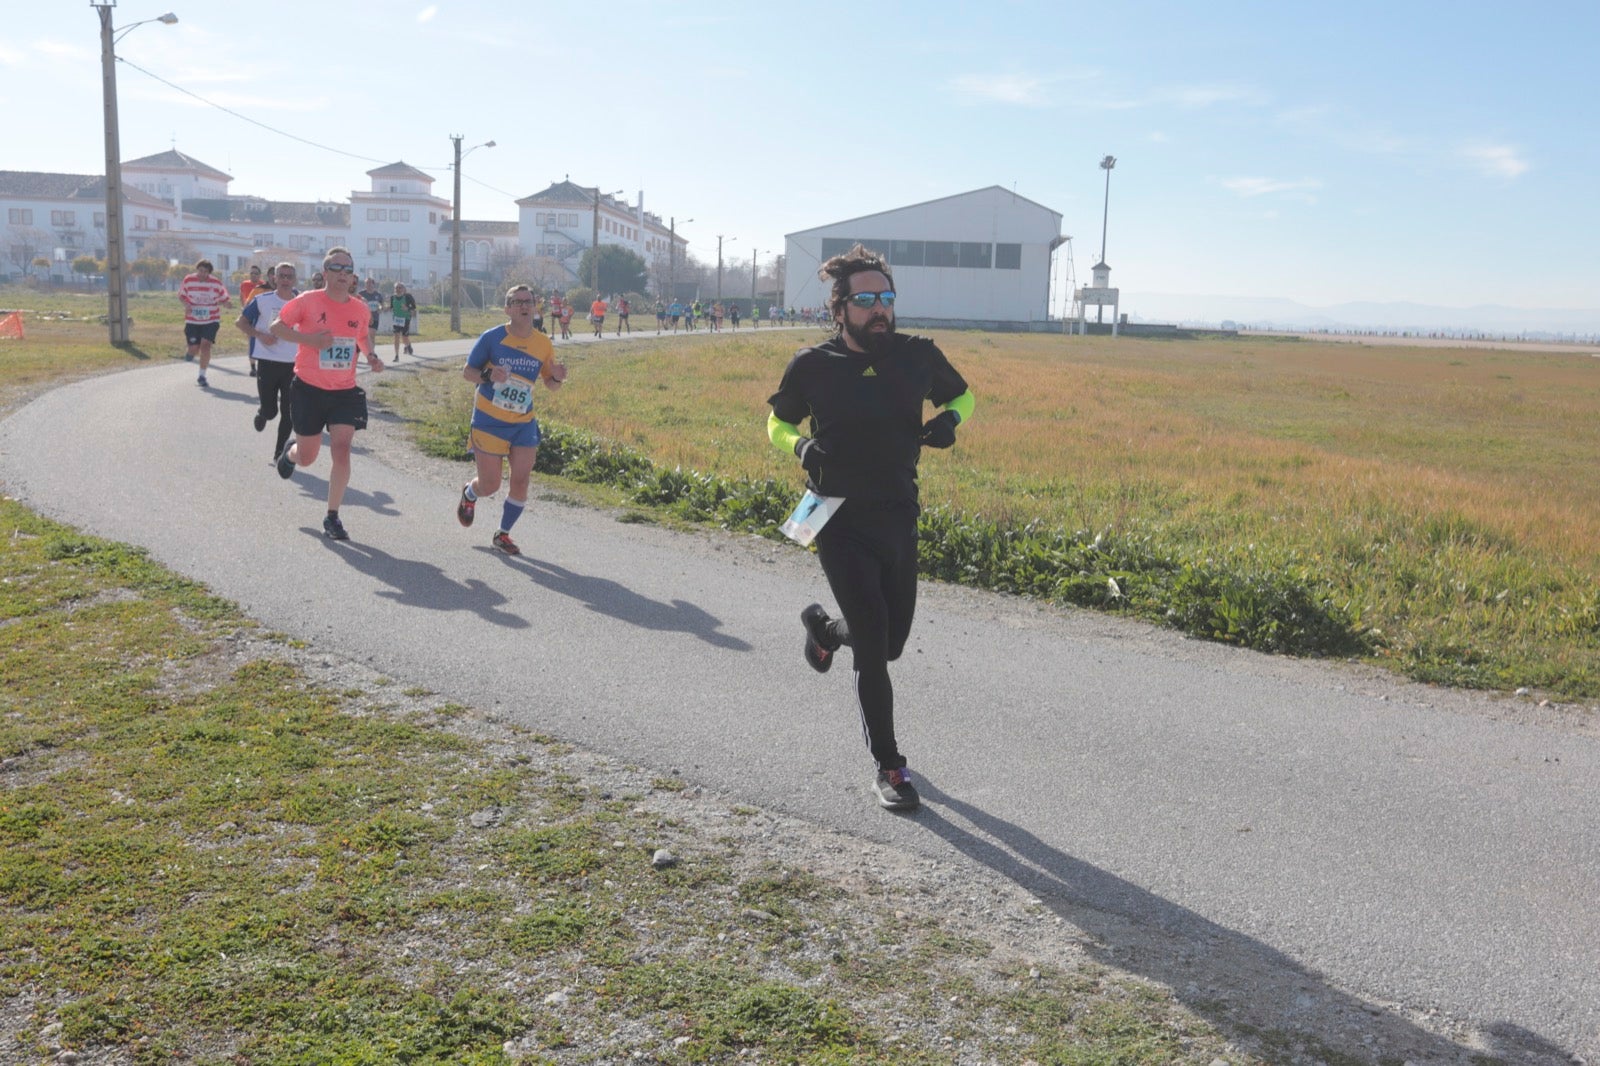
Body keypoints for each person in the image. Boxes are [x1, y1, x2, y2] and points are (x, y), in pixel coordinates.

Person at [765, 243, 974, 812]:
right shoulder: (812, 364)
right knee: (875, 650)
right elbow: (777, 422)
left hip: (899, 510)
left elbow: (964, 395)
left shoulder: (917, 355)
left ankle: (825, 630)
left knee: (892, 642)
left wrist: (952, 419)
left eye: (886, 297)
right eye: (866, 300)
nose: (880, 309)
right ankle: (890, 766)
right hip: (834, 514)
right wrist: (799, 445)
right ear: (839, 309)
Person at [269, 247, 385, 541]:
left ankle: (332, 516)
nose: (343, 274)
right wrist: (310, 340)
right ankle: (291, 453)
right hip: (308, 388)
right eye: (337, 268)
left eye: (348, 269)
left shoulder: (360, 308)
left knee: (342, 450)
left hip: (344, 390)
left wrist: (371, 356)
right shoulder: (307, 301)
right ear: (325, 273)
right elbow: (277, 327)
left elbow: (361, 336)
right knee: (307, 457)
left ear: (353, 277)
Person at [456, 284, 567, 555]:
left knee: (521, 480)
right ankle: (470, 493)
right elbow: (467, 372)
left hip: (523, 422)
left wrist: (557, 377)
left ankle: (503, 534)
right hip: (489, 420)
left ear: (535, 307)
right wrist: (487, 375)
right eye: (517, 302)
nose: (524, 306)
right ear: (507, 309)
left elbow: (550, 384)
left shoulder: (543, 343)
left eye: (529, 301)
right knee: (490, 485)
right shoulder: (492, 338)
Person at [235, 262, 300, 463]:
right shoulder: (262, 300)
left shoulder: (302, 301)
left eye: (289, 276)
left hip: (293, 365)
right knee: (271, 411)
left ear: (295, 279)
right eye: (282, 276)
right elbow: (240, 322)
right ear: (274, 278)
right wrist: (260, 335)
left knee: (289, 413)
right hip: (268, 362)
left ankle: (279, 453)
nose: (285, 280)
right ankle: (263, 413)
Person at [178, 258, 232, 388]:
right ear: (197, 270)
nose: (202, 274)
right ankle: (190, 353)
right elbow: (181, 295)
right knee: (194, 348)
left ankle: (202, 376)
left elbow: (225, 298)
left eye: (205, 272)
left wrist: (226, 303)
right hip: (193, 320)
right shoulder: (189, 280)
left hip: (211, 319)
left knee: (205, 346)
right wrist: (186, 305)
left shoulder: (216, 283)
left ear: (209, 273)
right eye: (200, 270)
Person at [240, 265, 266, 377]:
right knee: (251, 340)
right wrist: (244, 309)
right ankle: (253, 367)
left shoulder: (263, 285)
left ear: (260, 275)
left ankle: (262, 364)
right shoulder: (244, 284)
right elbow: (242, 297)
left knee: (260, 340)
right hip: (249, 315)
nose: (253, 275)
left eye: (256, 273)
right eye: (252, 273)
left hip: (260, 316)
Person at [390, 282, 417, 360]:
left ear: (403, 289)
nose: (398, 289)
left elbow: (414, 307)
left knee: (404, 337)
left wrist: (407, 308)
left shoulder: (408, 297)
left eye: (400, 287)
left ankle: (408, 345)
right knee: (396, 336)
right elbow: (392, 307)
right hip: (396, 319)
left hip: (405, 319)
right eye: (396, 288)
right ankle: (396, 356)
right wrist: (385, 308)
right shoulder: (392, 297)